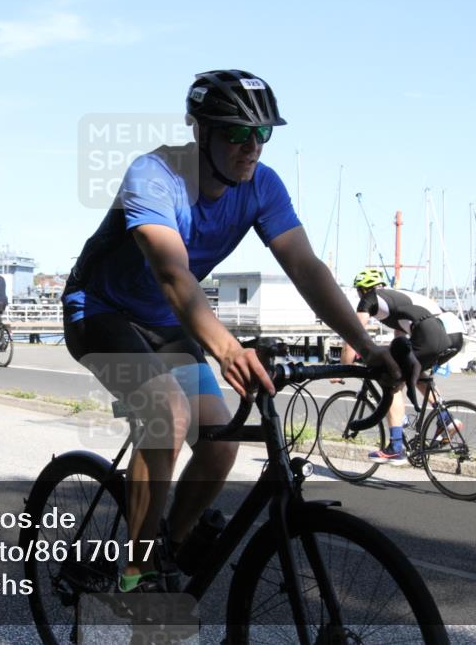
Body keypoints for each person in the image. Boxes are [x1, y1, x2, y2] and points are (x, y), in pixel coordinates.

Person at [62, 69, 400, 593]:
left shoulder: (261, 186)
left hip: (166, 322)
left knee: (220, 440)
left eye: (262, 135)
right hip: (101, 311)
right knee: (166, 414)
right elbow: (173, 275)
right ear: (200, 131)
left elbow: (307, 269)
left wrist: (367, 345)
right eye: (237, 134)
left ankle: (165, 546)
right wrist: (225, 349)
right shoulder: (154, 176)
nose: (252, 148)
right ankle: (136, 571)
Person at [338, 267, 466, 464]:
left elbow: (353, 335)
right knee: (414, 372)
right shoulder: (399, 296)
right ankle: (446, 419)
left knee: (392, 382)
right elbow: (401, 340)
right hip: (455, 333)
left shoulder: (369, 299)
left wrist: (342, 370)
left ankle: (396, 446)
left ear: (363, 290)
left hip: (432, 334)